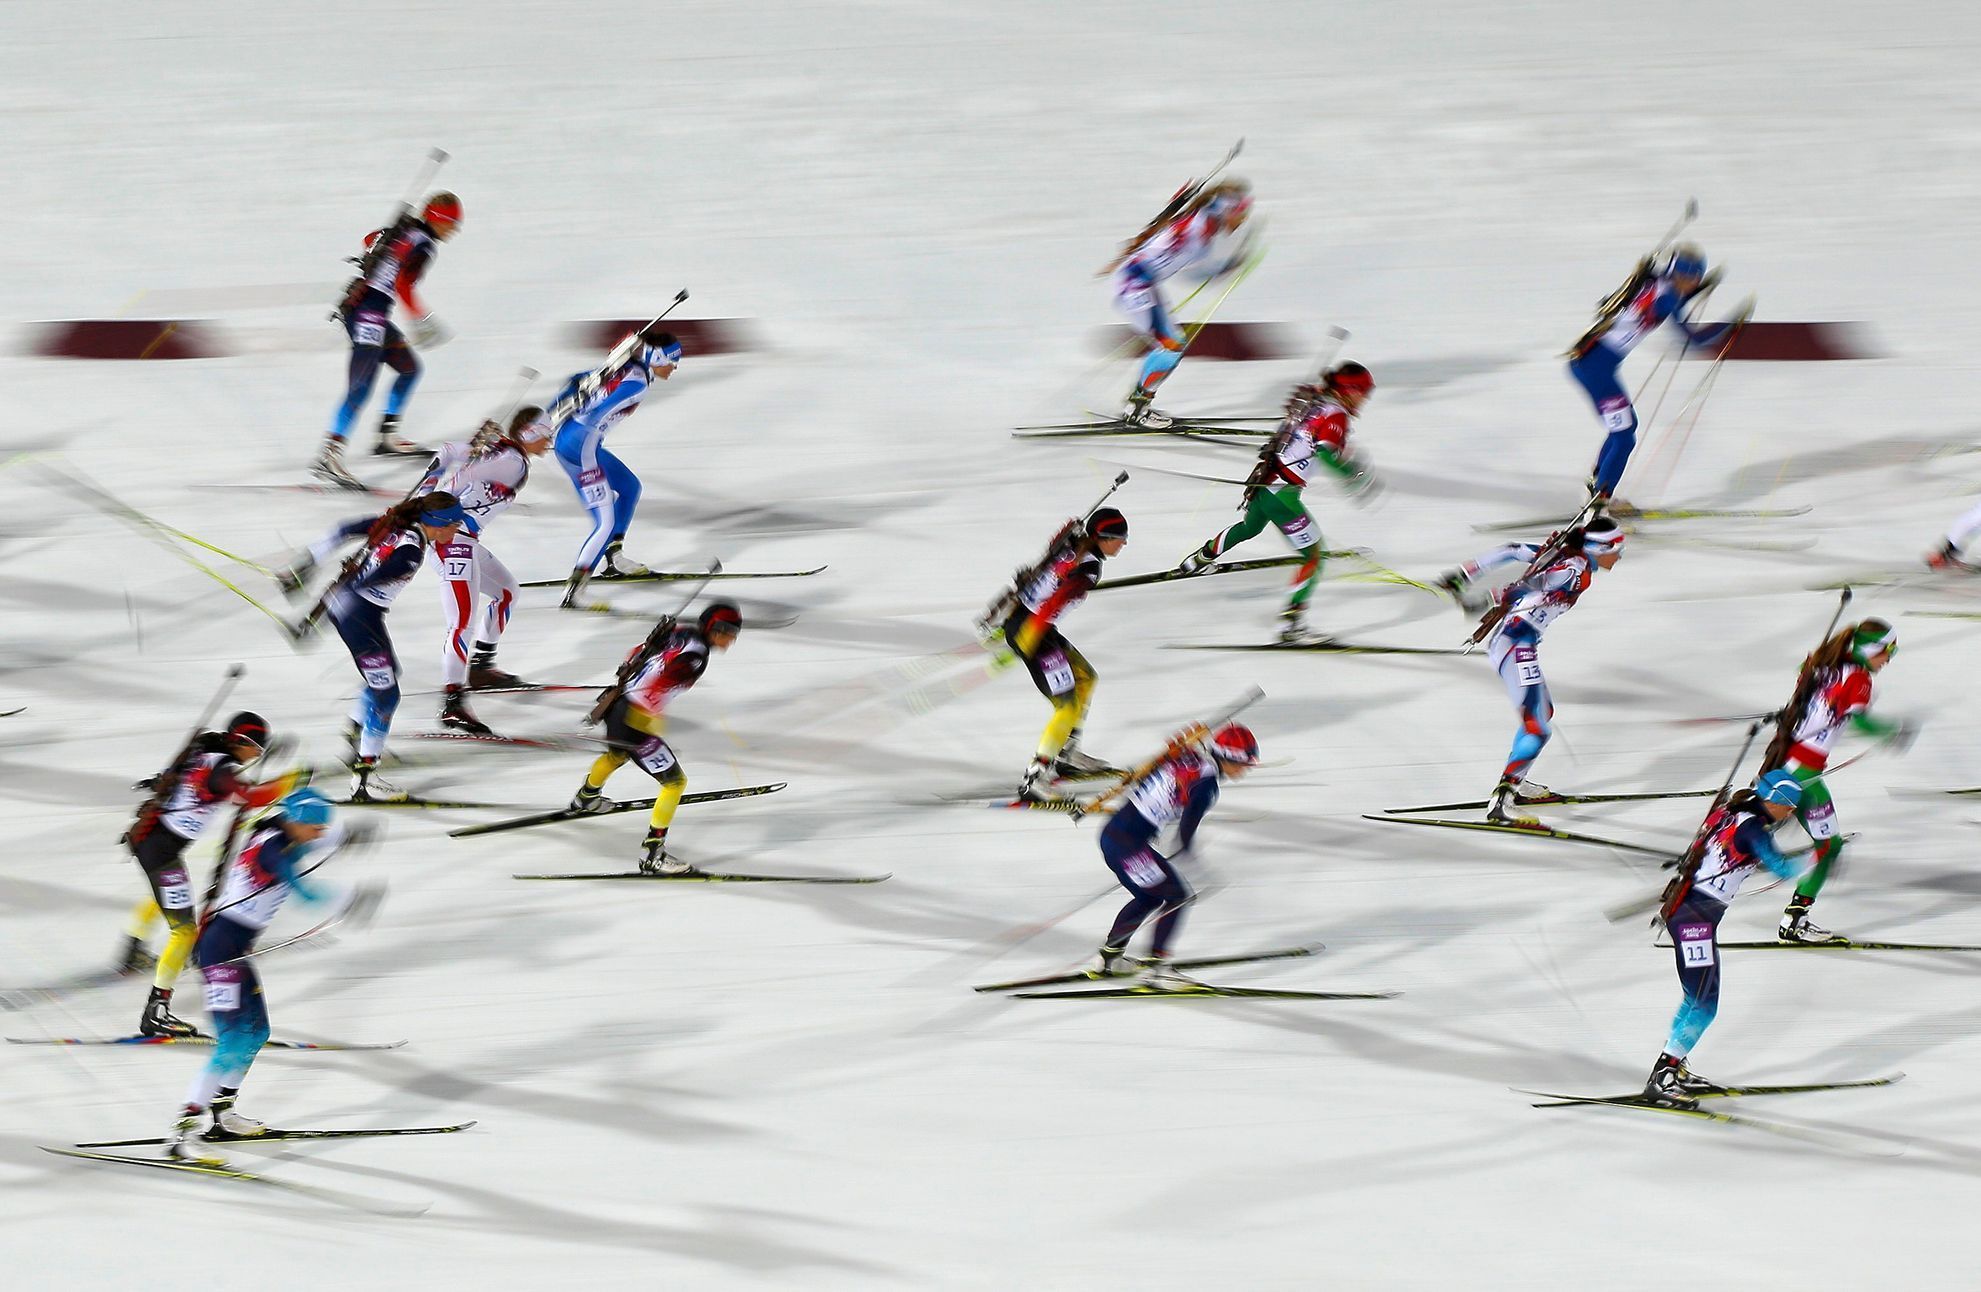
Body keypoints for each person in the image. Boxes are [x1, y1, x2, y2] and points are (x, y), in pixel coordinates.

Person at [168, 787, 374, 1154]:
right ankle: (184, 1128)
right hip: (220, 953)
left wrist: (345, 836)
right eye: (316, 828)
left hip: (234, 950)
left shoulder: (281, 831)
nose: (319, 834)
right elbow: (303, 891)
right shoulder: (273, 849)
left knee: (258, 1031)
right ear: (296, 822)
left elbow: (308, 842)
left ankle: (223, 1114)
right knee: (232, 1038)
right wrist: (349, 900)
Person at [120, 712, 305, 1037]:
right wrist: (293, 779)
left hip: (153, 842)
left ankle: (133, 948)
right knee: (184, 931)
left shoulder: (206, 751)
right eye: (258, 751)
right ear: (243, 744)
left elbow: (186, 777)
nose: (256, 757)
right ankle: (156, 1011)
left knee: (167, 896)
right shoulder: (222, 769)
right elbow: (250, 797)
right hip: (161, 851)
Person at [1643, 770, 1813, 1104]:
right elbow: (1781, 868)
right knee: (1705, 1005)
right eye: (1789, 806)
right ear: (1774, 802)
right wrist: (1817, 857)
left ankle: (1674, 1067)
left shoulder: (1735, 813)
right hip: (1695, 920)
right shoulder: (1752, 828)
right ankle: (1663, 1076)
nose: (1791, 813)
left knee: (1695, 997)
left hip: (1691, 913)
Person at [1177, 363, 1378, 641]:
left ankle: (1199, 558)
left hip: (1264, 481)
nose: (1365, 399)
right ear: (1349, 390)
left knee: (1248, 529)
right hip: (1282, 495)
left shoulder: (1317, 402)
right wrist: (1353, 476)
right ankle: (1291, 623)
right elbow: (1327, 455)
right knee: (1315, 558)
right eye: (1363, 392)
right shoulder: (1336, 416)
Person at [1445, 517, 1627, 823]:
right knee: (1537, 728)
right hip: (1516, 645)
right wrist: (1488, 600)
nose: (1620, 556)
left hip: (1516, 642)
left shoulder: (1564, 555)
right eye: (1617, 549)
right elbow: (1533, 584)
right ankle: (1503, 800)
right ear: (1601, 547)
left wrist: (1466, 572)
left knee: (1544, 713)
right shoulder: (1573, 570)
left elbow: (1513, 549)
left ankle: (1517, 780)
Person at [298, 492, 468, 800]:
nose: (457, 531)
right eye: (455, 525)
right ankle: (364, 778)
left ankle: (356, 732)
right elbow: (383, 572)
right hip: (359, 617)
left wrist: (316, 556)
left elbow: (346, 528)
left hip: (360, 614)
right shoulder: (412, 551)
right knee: (387, 694)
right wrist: (356, 584)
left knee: (389, 675)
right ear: (439, 525)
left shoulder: (397, 524)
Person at [1760, 618, 1911, 943]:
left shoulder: (1824, 663)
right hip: (1804, 777)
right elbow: (1862, 724)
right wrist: (1894, 732)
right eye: (1888, 651)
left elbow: (1807, 675)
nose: (1888, 659)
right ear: (1870, 650)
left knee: (1787, 831)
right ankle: (1794, 920)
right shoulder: (1858, 679)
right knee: (1829, 847)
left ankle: (1741, 846)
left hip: (1781, 760)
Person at [569, 602, 743, 873]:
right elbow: (658, 685)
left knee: (616, 755)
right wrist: (650, 724)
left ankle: (586, 798)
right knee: (675, 782)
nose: (731, 641)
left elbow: (637, 653)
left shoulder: (682, 633)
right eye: (730, 634)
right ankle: (654, 854)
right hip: (634, 721)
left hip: (617, 706)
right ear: (715, 629)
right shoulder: (696, 656)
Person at [1085, 723, 1259, 990]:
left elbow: (1167, 760)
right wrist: (1195, 864)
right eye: (1245, 763)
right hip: (1129, 845)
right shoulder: (1207, 786)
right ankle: (1157, 970)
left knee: (1150, 897)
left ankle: (1109, 960)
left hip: (1114, 836)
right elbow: (1185, 833)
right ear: (1230, 758)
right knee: (1178, 897)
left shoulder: (1189, 756)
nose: (1247, 769)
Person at [415, 406, 553, 734]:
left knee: (506, 592)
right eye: (545, 434)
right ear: (530, 434)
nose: (549, 441)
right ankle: (453, 703)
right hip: (453, 540)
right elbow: (463, 477)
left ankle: (479, 668)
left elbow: (447, 452)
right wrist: (435, 502)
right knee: (461, 622)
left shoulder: (502, 452)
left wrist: (442, 473)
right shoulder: (513, 461)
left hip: (463, 538)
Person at [1566, 243, 1739, 504]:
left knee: (1625, 430)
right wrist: (1731, 325)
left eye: (1698, 281)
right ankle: (1600, 501)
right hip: (1596, 370)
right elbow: (1693, 340)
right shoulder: (1669, 298)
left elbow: (1664, 302)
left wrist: (1703, 287)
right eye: (1694, 279)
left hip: (1589, 363)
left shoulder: (1654, 281)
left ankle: (1598, 485)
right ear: (1681, 276)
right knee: (1624, 438)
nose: (1694, 284)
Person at [317, 192, 463, 487]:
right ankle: (329, 456)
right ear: (439, 220)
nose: (454, 230)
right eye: (452, 224)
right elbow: (402, 283)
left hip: (367, 311)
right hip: (369, 315)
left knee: (409, 369)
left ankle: (387, 436)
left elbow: (369, 239)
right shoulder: (423, 245)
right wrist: (420, 318)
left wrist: (386, 243)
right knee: (360, 387)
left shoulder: (405, 232)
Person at [985, 507, 1130, 801]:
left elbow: (1049, 554)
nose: (1124, 544)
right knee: (1067, 706)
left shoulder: (1072, 544)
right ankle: (1036, 776)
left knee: (1086, 677)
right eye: (1121, 538)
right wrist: (1026, 640)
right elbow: (1054, 603)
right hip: (1034, 631)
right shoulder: (1088, 569)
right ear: (1104, 538)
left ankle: (1066, 755)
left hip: (1034, 626)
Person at [551, 327, 683, 608]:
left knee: (629, 486)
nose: (674, 368)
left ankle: (614, 556)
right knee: (605, 522)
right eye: (671, 361)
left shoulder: (624, 366)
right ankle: (575, 589)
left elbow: (576, 381)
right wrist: (589, 408)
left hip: (570, 439)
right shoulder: (638, 384)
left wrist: (577, 396)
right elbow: (602, 410)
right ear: (656, 357)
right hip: (583, 446)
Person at [1107, 180, 1255, 428]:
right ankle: (1136, 409)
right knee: (1172, 347)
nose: (1241, 222)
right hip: (1135, 287)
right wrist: (1226, 268)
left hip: (1140, 283)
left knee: (1174, 345)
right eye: (1240, 216)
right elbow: (1194, 272)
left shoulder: (1201, 219)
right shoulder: (1200, 229)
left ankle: (1138, 403)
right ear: (1228, 211)